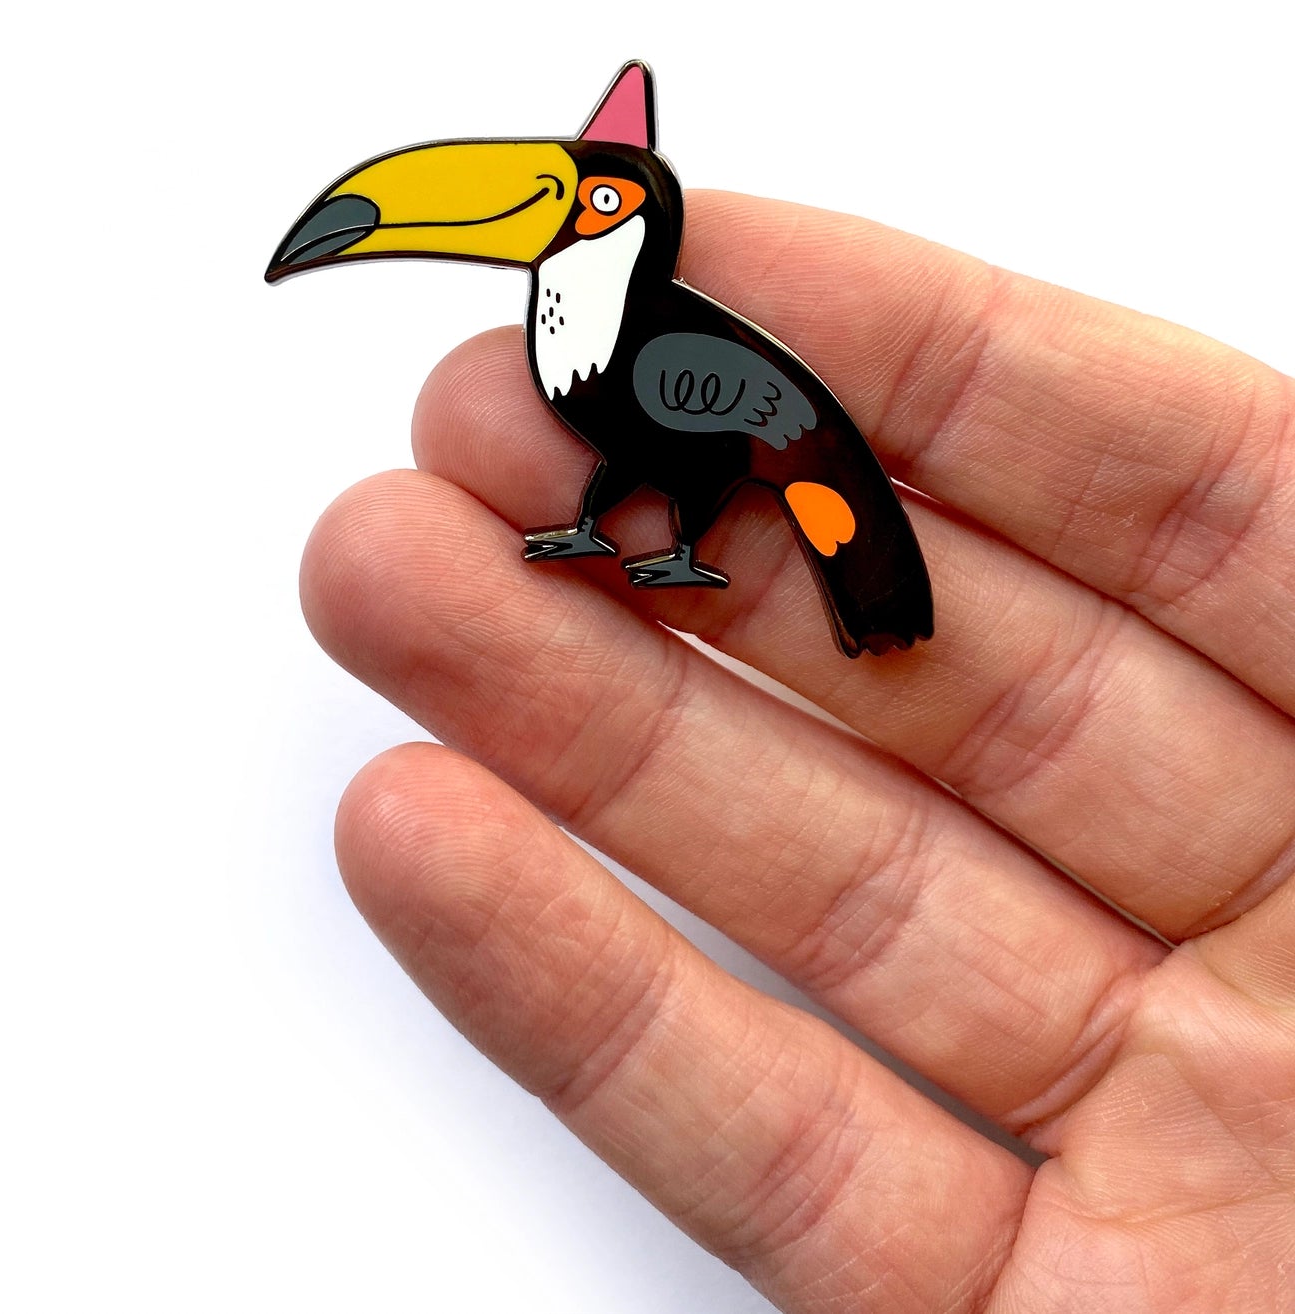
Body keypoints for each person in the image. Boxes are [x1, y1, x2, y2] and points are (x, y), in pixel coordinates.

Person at [300, 190, 1295, 1312]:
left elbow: (708, 454)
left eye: (596, 200)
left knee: (722, 484)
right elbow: (637, 443)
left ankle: (834, 588)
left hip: (777, 452)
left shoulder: (658, 335)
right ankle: (607, 528)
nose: (570, 216)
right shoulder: (580, 327)